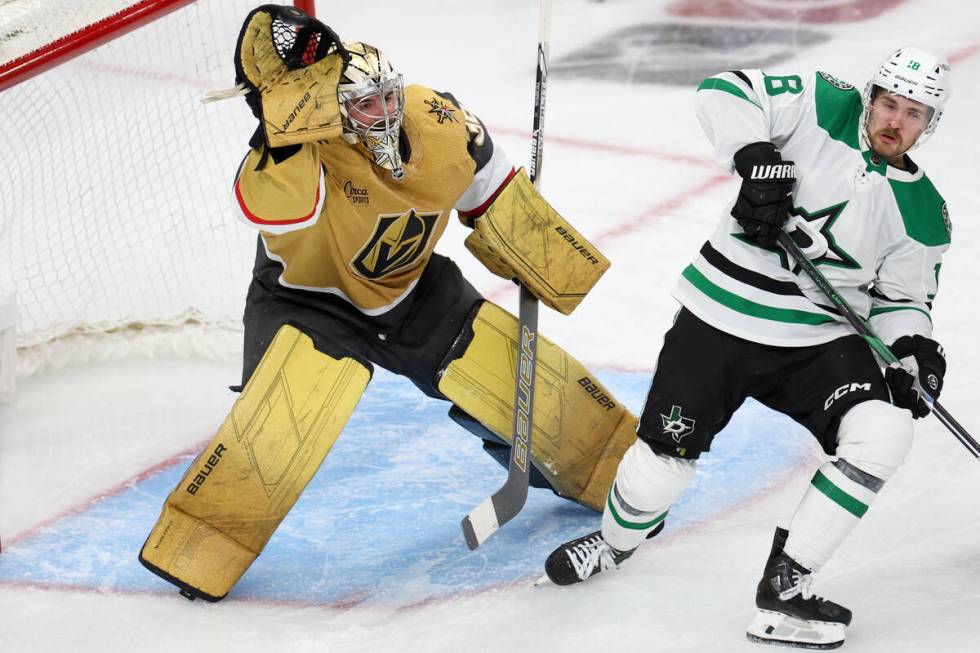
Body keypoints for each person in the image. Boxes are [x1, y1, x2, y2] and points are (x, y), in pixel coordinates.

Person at [137, 5, 638, 602]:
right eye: (364, 105)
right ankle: (201, 544)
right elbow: (276, 208)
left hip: (413, 290)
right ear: (334, 114)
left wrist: (544, 259)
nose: (383, 114)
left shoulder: (441, 120)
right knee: (277, 429)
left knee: (520, 380)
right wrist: (279, 131)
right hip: (308, 301)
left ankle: (616, 470)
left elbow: (491, 188)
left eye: (388, 97)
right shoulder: (306, 151)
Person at [543, 46, 952, 650]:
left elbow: (900, 299)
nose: (896, 121)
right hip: (719, 319)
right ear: (871, 97)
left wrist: (912, 349)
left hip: (815, 342)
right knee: (659, 467)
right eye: (890, 104)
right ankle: (616, 542)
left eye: (914, 114)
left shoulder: (926, 213)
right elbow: (722, 89)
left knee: (885, 432)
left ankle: (786, 587)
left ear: (929, 125)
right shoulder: (823, 100)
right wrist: (756, 155)